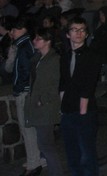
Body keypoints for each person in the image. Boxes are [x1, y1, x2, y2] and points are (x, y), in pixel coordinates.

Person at [59, 16, 102, 176]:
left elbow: (88, 86)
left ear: (86, 34)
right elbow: (63, 84)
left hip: (85, 111)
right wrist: (62, 109)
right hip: (68, 110)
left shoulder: (92, 56)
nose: (78, 33)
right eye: (74, 30)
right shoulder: (65, 56)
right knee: (72, 153)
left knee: (87, 154)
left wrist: (82, 113)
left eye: (82, 30)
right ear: (68, 34)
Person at [25, 26, 64, 176]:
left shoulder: (53, 60)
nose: (35, 41)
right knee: (44, 144)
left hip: (45, 108)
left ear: (47, 41)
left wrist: (42, 100)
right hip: (38, 106)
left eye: (38, 39)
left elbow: (55, 84)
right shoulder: (38, 59)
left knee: (46, 145)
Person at [11, 17, 42, 176]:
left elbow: (23, 71)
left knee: (27, 129)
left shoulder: (24, 46)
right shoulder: (25, 45)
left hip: (24, 92)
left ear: (22, 29)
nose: (12, 33)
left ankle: (33, 163)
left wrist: (19, 89)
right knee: (30, 129)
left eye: (14, 30)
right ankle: (35, 160)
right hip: (26, 90)